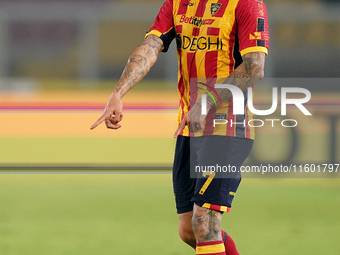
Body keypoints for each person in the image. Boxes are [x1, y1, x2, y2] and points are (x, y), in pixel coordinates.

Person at [91, 0, 269, 254]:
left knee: (204, 223)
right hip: (189, 128)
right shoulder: (177, 3)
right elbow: (150, 47)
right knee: (189, 231)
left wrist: (207, 101)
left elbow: (254, 67)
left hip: (226, 126)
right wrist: (118, 92)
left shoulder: (247, 4)